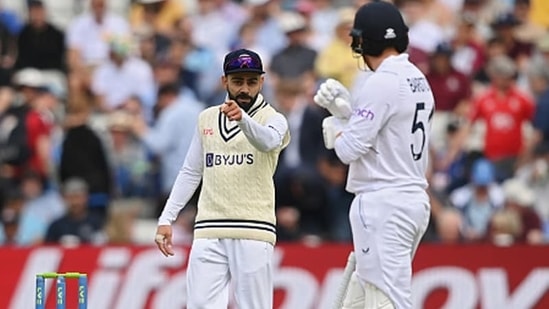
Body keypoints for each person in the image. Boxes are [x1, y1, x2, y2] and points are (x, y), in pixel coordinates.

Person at [313, 2, 434, 308]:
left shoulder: (381, 81)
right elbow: (384, 132)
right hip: (410, 200)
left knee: (387, 302)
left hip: (384, 203)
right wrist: (349, 114)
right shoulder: (417, 78)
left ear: (364, 41)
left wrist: (338, 121)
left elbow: (347, 149)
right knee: (357, 299)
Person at [153, 48, 290, 309]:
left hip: (253, 228)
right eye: (238, 81)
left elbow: (268, 141)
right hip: (209, 228)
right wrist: (166, 218)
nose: (245, 89)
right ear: (224, 81)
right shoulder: (206, 118)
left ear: (262, 81)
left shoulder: (274, 119)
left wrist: (244, 120)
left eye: (252, 82)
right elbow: (192, 171)